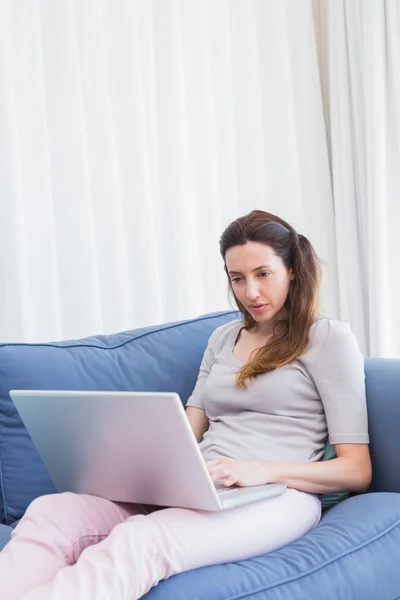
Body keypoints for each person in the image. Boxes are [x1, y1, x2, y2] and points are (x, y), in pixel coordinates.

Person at [0, 210, 371, 600]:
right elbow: (187, 429)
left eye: (263, 274)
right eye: (238, 278)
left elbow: (356, 470)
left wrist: (261, 470)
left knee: (142, 541)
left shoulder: (327, 338)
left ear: (292, 269)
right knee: (53, 512)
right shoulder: (222, 339)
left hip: (280, 495)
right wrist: (135, 465)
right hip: (200, 485)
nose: (251, 293)